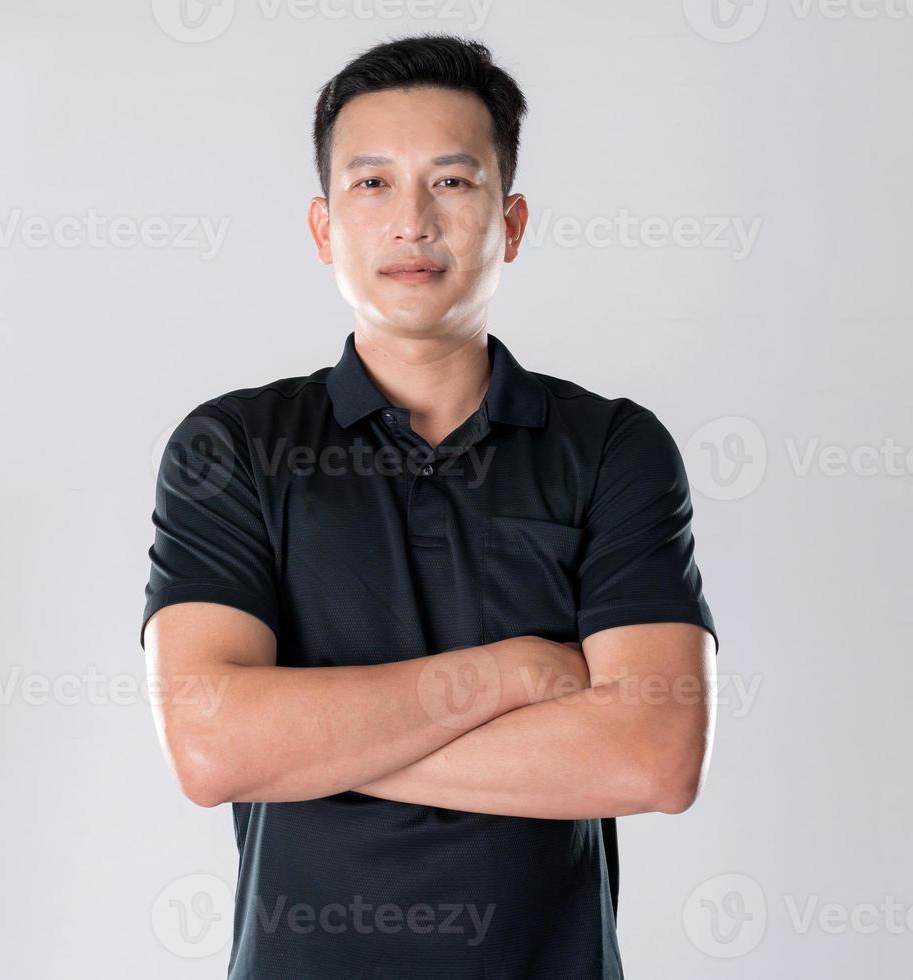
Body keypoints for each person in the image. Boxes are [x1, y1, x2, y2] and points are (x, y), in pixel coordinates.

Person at [140, 33, 718, 980]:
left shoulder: (612, 446)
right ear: (325, 227)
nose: (412, 222)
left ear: (512, 221)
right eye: (372, 185)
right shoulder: (230, 446)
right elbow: (210, 747)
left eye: (452, 183)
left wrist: (305, 746)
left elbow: (651, 756)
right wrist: (520, 672)